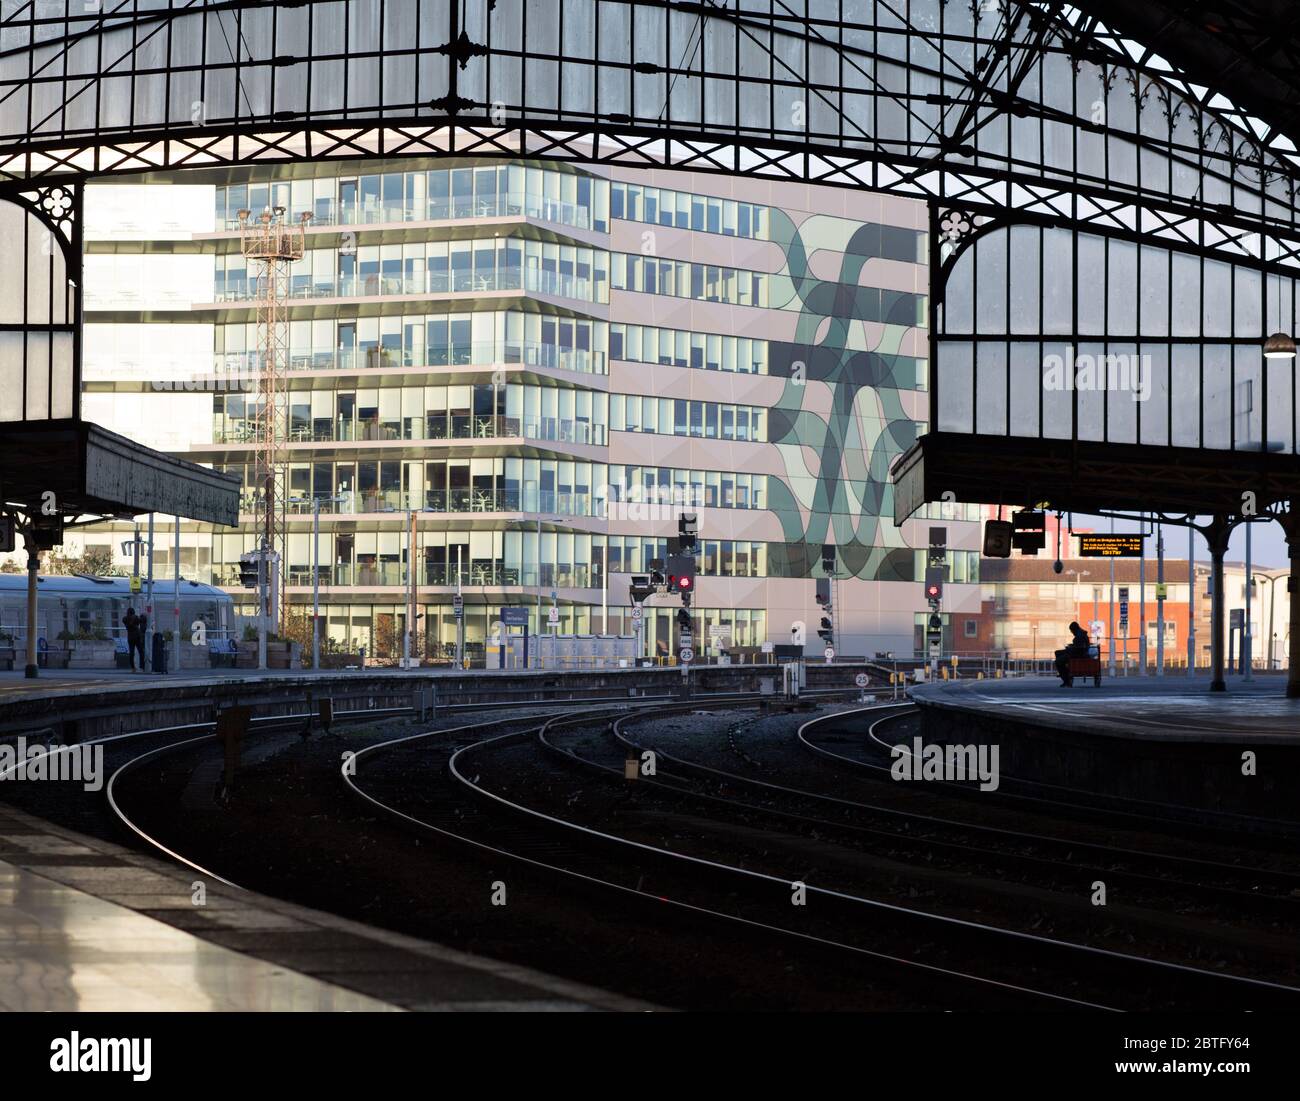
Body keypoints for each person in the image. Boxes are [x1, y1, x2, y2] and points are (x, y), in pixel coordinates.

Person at [1054, 621, 1091, 686]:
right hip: (1078, 653)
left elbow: (1078, 649)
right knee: (1057, 653)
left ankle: (1066, 678)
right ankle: (1064, 672)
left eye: (1071, 631)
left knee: (1057, 662)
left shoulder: (1079, 636)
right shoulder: (1081, 634)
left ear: (1074, 629)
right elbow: (1078, 646)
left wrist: (1069, 648)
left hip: (1077, 655)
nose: (1071, 632)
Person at [123, 607, 147, 672]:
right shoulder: (135, 617)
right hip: (137, 637)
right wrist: (143, 616)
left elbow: (126, 622)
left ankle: (133, 668)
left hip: (130, 637)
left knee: (131, 653)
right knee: (141, 652)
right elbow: (142, 620)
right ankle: (142, 666)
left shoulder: (125, 619)